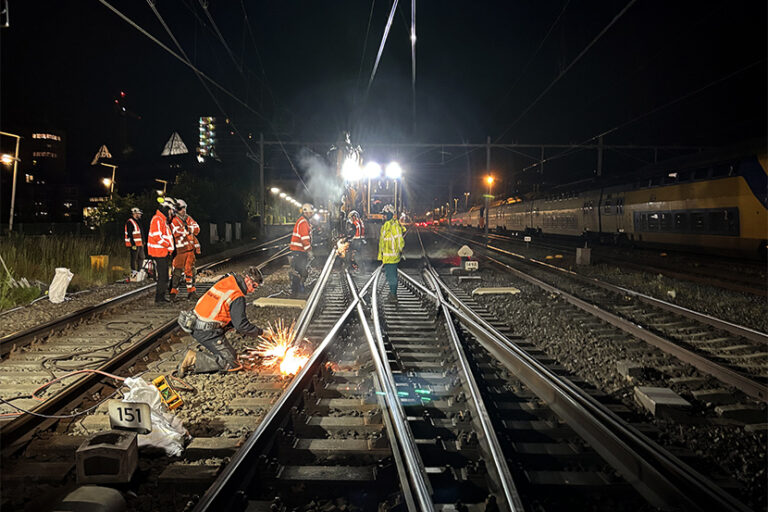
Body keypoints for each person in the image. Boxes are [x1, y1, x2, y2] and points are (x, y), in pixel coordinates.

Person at [178, 267, 264, 375]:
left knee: (231, 354)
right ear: (247, 279)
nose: (252, 290)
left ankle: (209, 350)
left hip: (194, 322)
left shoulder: (229, 280)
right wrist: (261, 333)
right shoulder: (237, 295)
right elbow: (241, 325)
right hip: (206, 330)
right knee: (231, 363)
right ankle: (193, 359)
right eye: (254, 286)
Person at [147, 198, 176, 303]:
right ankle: (159, 298)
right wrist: (168, 245)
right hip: (158, 252)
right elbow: (157, 236)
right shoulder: (157, 219)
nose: (171, 213)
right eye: (170, 211)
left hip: (163, 252)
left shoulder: (162, 220)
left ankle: (161, 297)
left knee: (164, 276)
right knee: (163, 276)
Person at [170, 199, 200, 300]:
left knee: (191, 271)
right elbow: (177, 231)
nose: (183, 210)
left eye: (184, 208)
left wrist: (188, 229)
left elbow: (197, 229)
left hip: (190, 249)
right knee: (177, 272)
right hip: (179, 250)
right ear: (176, 209)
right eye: (180, 208)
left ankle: (191, 292)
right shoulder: (173, 220)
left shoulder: (188, 218)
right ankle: (173, 293)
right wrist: (188, 230)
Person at [378, 204, 406, 301]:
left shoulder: (394, 226)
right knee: (389, 275)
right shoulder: (385, 226)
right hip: (387, 257)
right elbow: (382, 242)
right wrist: (381, 255)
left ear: (390, 214)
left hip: (392, 257)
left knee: (392, 276)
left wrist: (400, 251)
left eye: (385, 214)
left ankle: (393, 295)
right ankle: (392, 293)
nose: (383, 216)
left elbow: (399, 241)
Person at [289, 203, 314, 298]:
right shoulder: (303, 222)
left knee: (300, 271)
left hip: (299, 251)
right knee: (300, 272)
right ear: (307, 212)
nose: (311, 214)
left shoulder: (303, 221)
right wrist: (309, 251)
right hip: (298, 251)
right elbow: (304, 239)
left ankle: (297, 291)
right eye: (310, 213)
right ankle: (297, 292)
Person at [124, 207, 145, 278]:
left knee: (141, 257)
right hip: (134, 244)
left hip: (139, 243)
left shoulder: (138, 221)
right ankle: (133, 271)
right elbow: (129, 234)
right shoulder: (130, 222)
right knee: (134, 257)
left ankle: (139, 270)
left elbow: (140, 233)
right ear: (135, 213)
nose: (140, 215)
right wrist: (133, 244)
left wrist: (143, 241)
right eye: (139, 214)